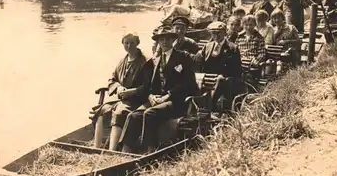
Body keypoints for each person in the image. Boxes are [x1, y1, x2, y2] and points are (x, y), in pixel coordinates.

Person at [119, 26, 199, 154]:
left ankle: (149, 150)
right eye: (161, 39)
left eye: (167, 39)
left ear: (173, 40)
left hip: (177, 102)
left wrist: (167, 96)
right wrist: (150, 96)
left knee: (149, 114)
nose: (164, 42)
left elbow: (188, 83)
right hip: (157, 100)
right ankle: (125, 150)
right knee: (133, 115)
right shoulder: (154, 61)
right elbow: (148, 84)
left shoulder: (182, 57)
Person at [89, 33, 153, 150]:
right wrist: (118, 87)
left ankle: (112, 151)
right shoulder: (122, 61)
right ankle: (96, 148)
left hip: (136, 100)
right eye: (126, 43)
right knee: (100, 111)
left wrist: (132, 91)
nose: (129, 46)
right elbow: (112, 79)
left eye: (132, 43)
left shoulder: (146, 62)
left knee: (119, 113)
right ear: (123, 44)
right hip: (121, 98)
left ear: (137, 43)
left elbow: (149, 86)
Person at [192, 22, 243, 112]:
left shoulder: (232, 48)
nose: (216, 35)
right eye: (213, 33)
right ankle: (194, 106)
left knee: (220, 80)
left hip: (225, 79)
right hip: (207, 77)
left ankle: (210, 108)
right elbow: (199, 63)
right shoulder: (207, 46)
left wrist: (225, 75)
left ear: (224, 33)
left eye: (219, 32)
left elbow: (236, 69)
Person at [235, 15, 266, 80]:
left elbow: (262, 53)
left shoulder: (259, 37)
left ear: (255, 25)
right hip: (240, 61)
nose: (248, 27)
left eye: (251, 25)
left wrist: (256, 60)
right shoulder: (239, 36)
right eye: (246, 25)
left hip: (252, 62)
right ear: (243, 25)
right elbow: (235, 50)